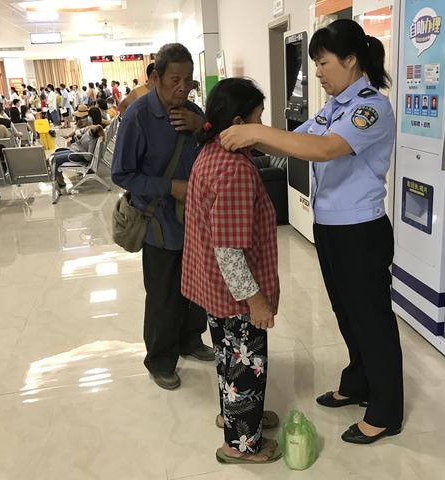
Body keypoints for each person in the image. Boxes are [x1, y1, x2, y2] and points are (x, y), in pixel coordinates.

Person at [220, 19, 403, 445]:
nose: (316, 72)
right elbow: (294, 139)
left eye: (322, 63)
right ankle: (358, 382)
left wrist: (256, 132)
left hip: (361, 231)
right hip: (333, 229)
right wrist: (247, 139)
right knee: (346, 312)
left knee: (372, 319)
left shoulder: (371, 107)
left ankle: (386, 409)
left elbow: (323, 149)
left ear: (351, 60)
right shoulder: (334, 106)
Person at [182, 78, 282, 464]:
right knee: (246, 366)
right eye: (258, 118)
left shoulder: (208, 153)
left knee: (229, 358)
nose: (262, 125)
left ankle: (237, 416)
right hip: (236, 294)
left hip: (215, 291)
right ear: (239, 121)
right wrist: (255, 301)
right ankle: (242, 444)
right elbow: (229, 250)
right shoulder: (234, 168)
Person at [111, 42, 213, 391]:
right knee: (164, 295)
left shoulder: (193, 110)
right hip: (158, 221)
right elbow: (122, 174)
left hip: (196, 222)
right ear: (155, 77)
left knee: (196, 289)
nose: (182, 87)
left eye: (188, 80)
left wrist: (201, 125)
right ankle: (160, 359)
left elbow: (214, 142)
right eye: (174, 80)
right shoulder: (138, 117)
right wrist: (170, 187)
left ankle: (191, 339)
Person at [51, 123, 104, 189]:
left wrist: (79, 144)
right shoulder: (89, 130)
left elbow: (88, 158)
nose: (88, 129)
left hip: (78, 155)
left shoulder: (92, 141)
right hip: (74, 150)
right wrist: (78, 134)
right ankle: (59, 175)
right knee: (55, 154)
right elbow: (79, 130)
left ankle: (59, 179)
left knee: (55, 159)